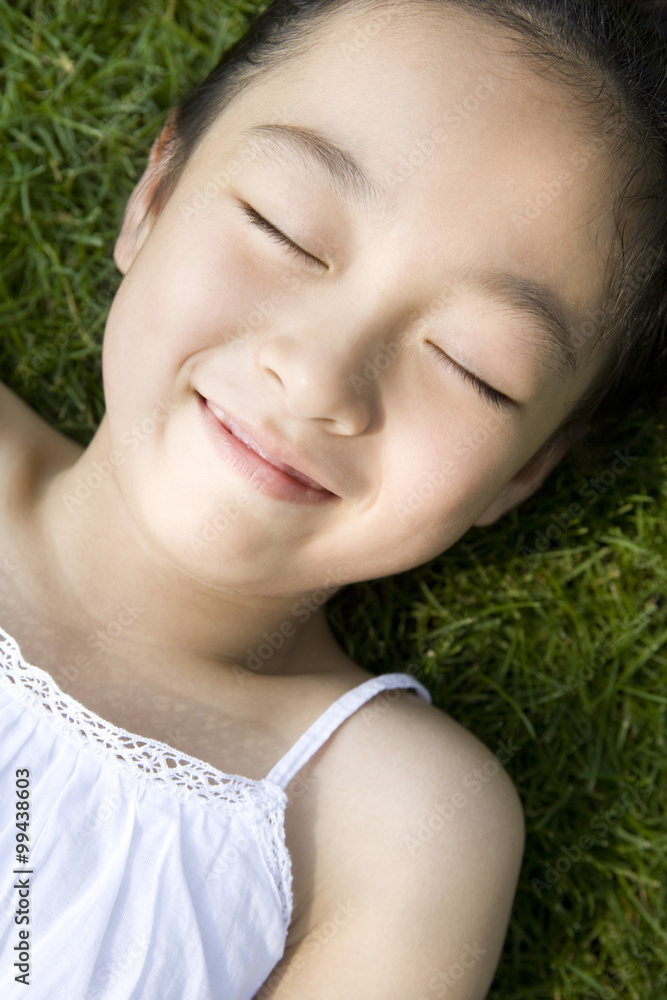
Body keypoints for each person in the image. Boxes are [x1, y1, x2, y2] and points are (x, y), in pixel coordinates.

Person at [1, 0, 666, 997]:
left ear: (525, 469)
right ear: (157, 192)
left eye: (472, 366)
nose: (318, 379)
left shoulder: (393, 828)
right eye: (284, 228)